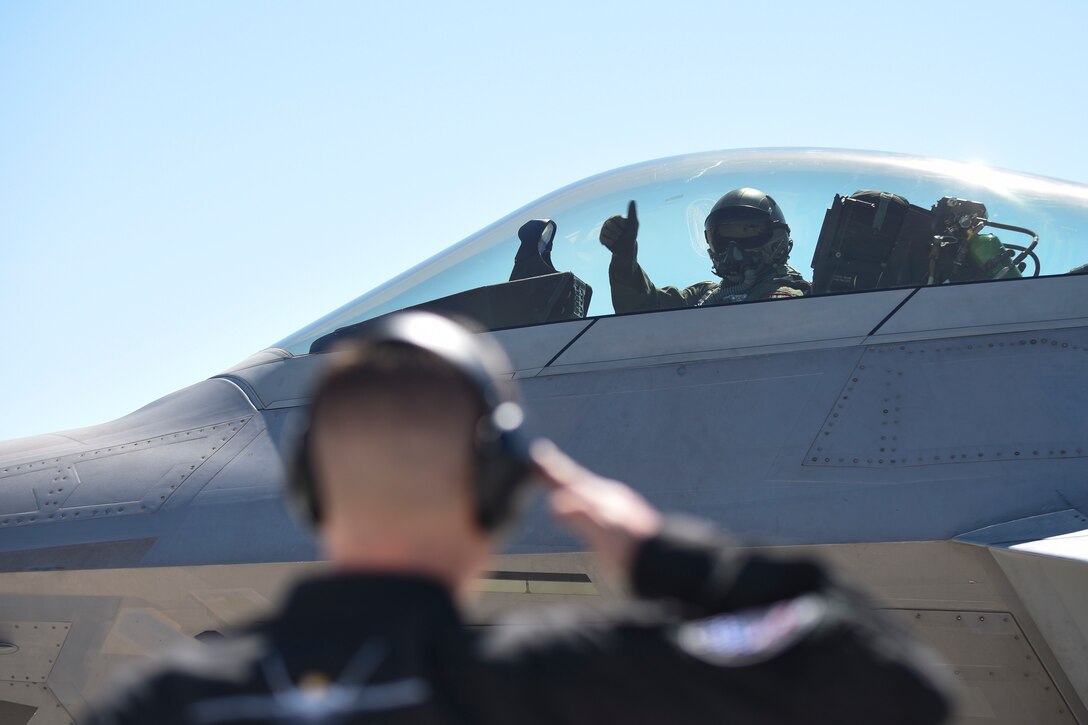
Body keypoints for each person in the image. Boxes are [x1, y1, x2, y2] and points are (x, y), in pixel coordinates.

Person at [86, 312, 950, 725]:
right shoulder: (558, 679)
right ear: (502, 485)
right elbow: (886, 684)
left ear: (309, 481)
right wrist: (655, 549)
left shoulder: (157, 703)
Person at [602, 189, 812, 312]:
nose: (732, 248)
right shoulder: (705, 295)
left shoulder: (802, 299)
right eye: (722, 238)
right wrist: (624, 257)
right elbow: (644, 312)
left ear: (776, 241)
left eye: (745, 232)